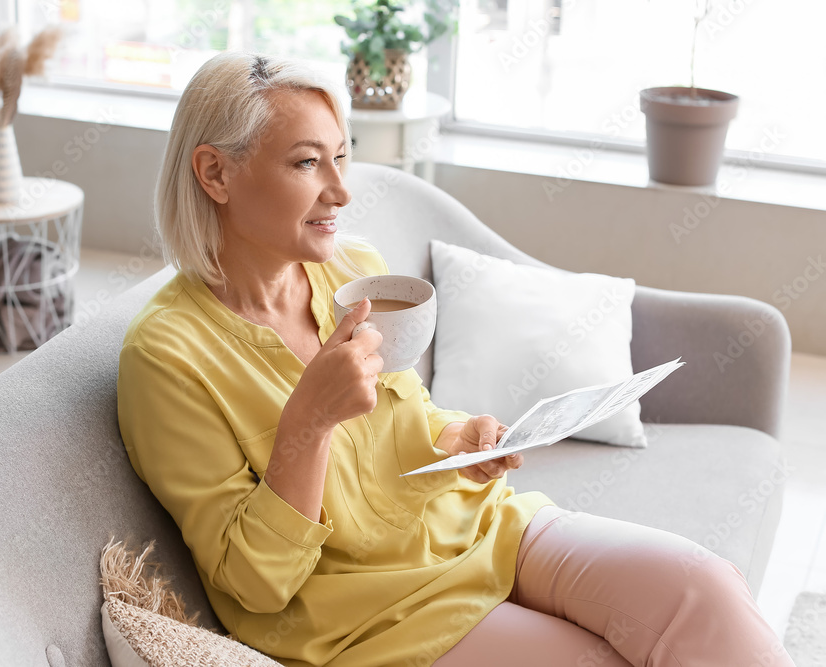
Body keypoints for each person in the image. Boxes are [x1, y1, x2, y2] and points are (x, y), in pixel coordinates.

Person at [116, 52, 794, 667]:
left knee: (703, 589)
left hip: (483, 526)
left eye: (341, 158)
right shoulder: (167, 357)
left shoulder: (355, 277)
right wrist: (307, 423)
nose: (341, 191)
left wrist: (458, 439)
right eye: (305, 162)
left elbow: (401, 423)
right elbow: (255, 584)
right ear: (214, 172)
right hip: (378, 619)